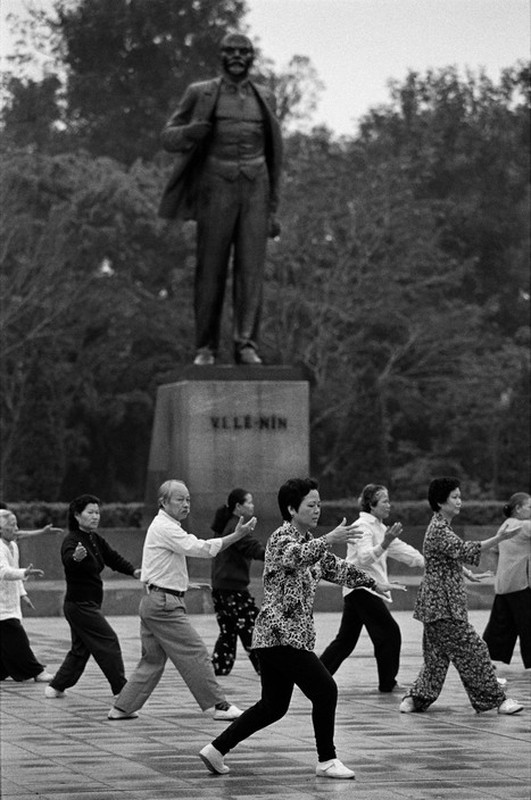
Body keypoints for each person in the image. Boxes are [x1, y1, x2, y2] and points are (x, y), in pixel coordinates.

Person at [199, 477, 405, 780]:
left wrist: (375, 582)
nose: (317, 509)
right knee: (325, 690)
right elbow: (297, 557)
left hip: (278, 638)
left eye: (319, 504)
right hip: (281, 635)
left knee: (273, 706)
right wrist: (331, 537)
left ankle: (216, 749)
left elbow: (338, 568)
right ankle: (326, 759)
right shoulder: (282, 539)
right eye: (311, 504)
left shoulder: (310, 543)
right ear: (292, 508)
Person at [159, 32, 283, 366]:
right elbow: (168, 137)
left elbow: (275, 156)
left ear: (252, 57)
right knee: (210, 269)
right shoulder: (200, 93)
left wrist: (273, 208)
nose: (238, 56)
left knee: (251, 271)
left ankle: (246, 344)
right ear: (221, 55)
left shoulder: (267, 97)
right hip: (216, 186)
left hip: (256, 187)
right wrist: (189, 132)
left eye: (245, 51)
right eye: (231, 51)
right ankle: (205, 347)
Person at [108, 479, 257, 721]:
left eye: (188, 499)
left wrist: (184, 584)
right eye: (180, 499)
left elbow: (157, 568)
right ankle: (217, 705)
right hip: (164, 606)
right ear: (163, 502)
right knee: (195, 651)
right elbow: (200, 548)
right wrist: (236, 536)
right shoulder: (166, 527)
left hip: (155, 601)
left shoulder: (165, 526)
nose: (186, 504)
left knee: (152, 660)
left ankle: (122, 707)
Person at [399, 477, 524, 716]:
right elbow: (464, 549)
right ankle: (498, 700)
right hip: (442, 605)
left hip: (436, 604)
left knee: (436, 658)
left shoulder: (441, 527)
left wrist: (468, 574)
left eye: (459, 496)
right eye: (454, 497)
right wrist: (499, 538)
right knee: (475, 649)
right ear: (440, 502)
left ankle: (415, 699)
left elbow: (446, 557)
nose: (460, 501)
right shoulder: (439, 529)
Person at [320, 484, 424, 692]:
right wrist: (385, 543)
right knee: (389, 632)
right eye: (384, 501)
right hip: (361, 589)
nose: (389, 505)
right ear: (371, 505)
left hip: (361, 589)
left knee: (345, 641)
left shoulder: (380, 528)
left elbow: (403, 551)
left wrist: (427, 562)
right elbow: (365, 557)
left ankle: (314, 676)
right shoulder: (362, 526)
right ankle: (388, 682)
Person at [45, 495, 141, 699]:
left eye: (97, 512)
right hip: (79, 605)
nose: (95, 516)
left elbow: (112, 557)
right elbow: (69, 561)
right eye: (90, 512)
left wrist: (134, 572)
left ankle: (56, 686)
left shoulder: (94, 539)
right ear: (77, 516)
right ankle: (121, 690)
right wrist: (76, 558)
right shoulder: (72, 540)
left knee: (80, 650)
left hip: (88, 604)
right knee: (109, 640)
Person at [210, 488, 265, 676]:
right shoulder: (237, 527)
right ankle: (267, 667)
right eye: (248, 502)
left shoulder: (230, 523)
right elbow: (253, 548)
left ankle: (219, 666)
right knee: (253, 627)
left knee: (229, 629)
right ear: (238, 506)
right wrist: (280, 555)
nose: (252, 505)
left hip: (221, 587)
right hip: (232, 589)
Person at [0, 509, 53, 683]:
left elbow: (15, 573)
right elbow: (4, 572)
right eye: (11, 525)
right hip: (2, 606)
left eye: (16, 524)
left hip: (10, 602)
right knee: (17, 637)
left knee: (6, 642)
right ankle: (36, 671)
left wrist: (23, 594)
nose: (16, 528)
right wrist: (25, 572)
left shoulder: (13, 545)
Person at [483, 492, 531, 671]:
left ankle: (484, 660)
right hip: (521, 585)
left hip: (504, 584)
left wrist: (501, 569)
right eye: (530, 507)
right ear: (518, 509)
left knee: (500, 626)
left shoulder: (505, 526)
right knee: (527, 624)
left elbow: (494, 550)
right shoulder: (523, 526)